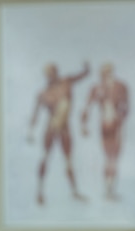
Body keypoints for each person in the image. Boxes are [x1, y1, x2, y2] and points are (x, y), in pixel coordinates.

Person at [28, 62, 90, 205]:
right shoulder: (43, 94)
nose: (50, 76)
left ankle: (74, 191)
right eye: (48, 74)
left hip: (64, 128)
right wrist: (30, 131)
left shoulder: (65, 82)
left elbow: (81, 76)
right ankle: (39, 191)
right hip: (51, 128)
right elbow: (35, 114)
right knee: (45, 157)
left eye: (52, 73)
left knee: (68, 160)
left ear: (56, 73)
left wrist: (86, 69)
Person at [81, 62, 129, 200]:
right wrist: (84, 125)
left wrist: (120, 117)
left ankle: (110, 189)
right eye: (103, 73)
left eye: (107, 72)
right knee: (109, 157)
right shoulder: (97, 88)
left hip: (116, 124)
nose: (104, 76)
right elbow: (87, 106)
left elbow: (126, 106)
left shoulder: (120, 87)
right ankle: (108, 190)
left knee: (114, 158)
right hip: (105, 125)